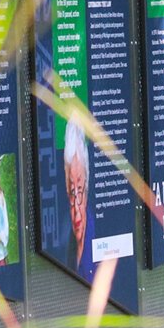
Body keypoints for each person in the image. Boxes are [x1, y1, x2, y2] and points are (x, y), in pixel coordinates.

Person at [64, 118, 90, 277]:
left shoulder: (95, 238)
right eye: (72, 192)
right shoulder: (68, 250)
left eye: (79, 189)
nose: (76, 212)